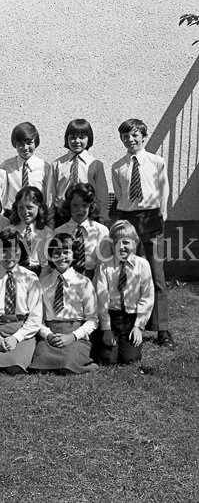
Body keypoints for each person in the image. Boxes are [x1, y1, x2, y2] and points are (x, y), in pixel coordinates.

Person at [111, 118, 172, 348]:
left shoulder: (156, 162)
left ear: (143, 137)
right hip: (129, 218)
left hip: (152, 218)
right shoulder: (118, 166)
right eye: (126, 136)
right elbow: (119, 195)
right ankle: (126, 322)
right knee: (126, 271)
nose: (130, 140)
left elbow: (163, 188)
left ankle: (162, 329)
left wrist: (162, 213)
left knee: (157, 274)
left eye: (135, 135)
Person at [0, 229, 42, 375]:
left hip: (21, 330)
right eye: (5, 251)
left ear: (21, 252)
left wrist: (17, 338)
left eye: (14, 251)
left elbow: (36, 316)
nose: (9, 256)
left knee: (15, 368)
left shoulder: (30, 277)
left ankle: (19, 352)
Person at [29, 233, 98, 374]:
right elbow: (38, 318)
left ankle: (81, 363)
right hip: (51, 335)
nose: (61, 257)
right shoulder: (43, 283)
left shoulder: (84, 282)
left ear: (74, 255)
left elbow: (92, 319)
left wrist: (72, 336)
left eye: (66, 252)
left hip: (75, 335)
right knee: (41, 362)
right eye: (57, 253)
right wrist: (48, 335)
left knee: (68, 364)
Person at [92, 221, 154, 365]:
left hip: (131, 319)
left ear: (135, 243)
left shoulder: (142, 266)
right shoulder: (105, 267)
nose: (121, 247)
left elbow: (147, 297)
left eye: (126, 242)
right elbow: (101, 299)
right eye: (116, 243)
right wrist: (106, 328)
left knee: (130, 359)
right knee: (107, 360)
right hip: (111, 317)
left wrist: (139, 326)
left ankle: (128, 341)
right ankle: (102, 339)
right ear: (112, 245)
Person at [44, 119, 110, 226]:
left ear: (89, 139)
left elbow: (102, 196)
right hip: (62, 216)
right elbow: (50, 194)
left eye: (82, 137)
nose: (77, 141)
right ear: (67, 139)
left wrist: (102, 219)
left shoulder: (96, 164)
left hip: (87, 215)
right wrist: (50, 219)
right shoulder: (57, 164)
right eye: (73, 138)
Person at [54, 183, 110, 280]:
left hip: (93, 280)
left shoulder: (101, 231)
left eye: (84, 205)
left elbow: (103, 265)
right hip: (66, 281)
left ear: (90, 206)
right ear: (69, 206)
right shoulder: (59, 232)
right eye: (75, 205)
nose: (79, 210)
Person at [1, 122, 47, 215]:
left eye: (29, 143)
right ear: (15, 144)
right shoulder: (6, 167)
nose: (25, 148)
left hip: (37, 214)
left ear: (36, 142)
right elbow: (2, 195)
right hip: (13, 214)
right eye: (20, 144)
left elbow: (48, 196)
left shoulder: (45, 167)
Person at [9, 186, 53, 276]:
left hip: (39, 274)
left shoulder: (46, 232)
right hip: (15, 274)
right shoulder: (10, 230)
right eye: (21, 207)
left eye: (29, 207)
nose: (25, 212)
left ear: (39, 207)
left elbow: (47, 264)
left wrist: (41, 283)